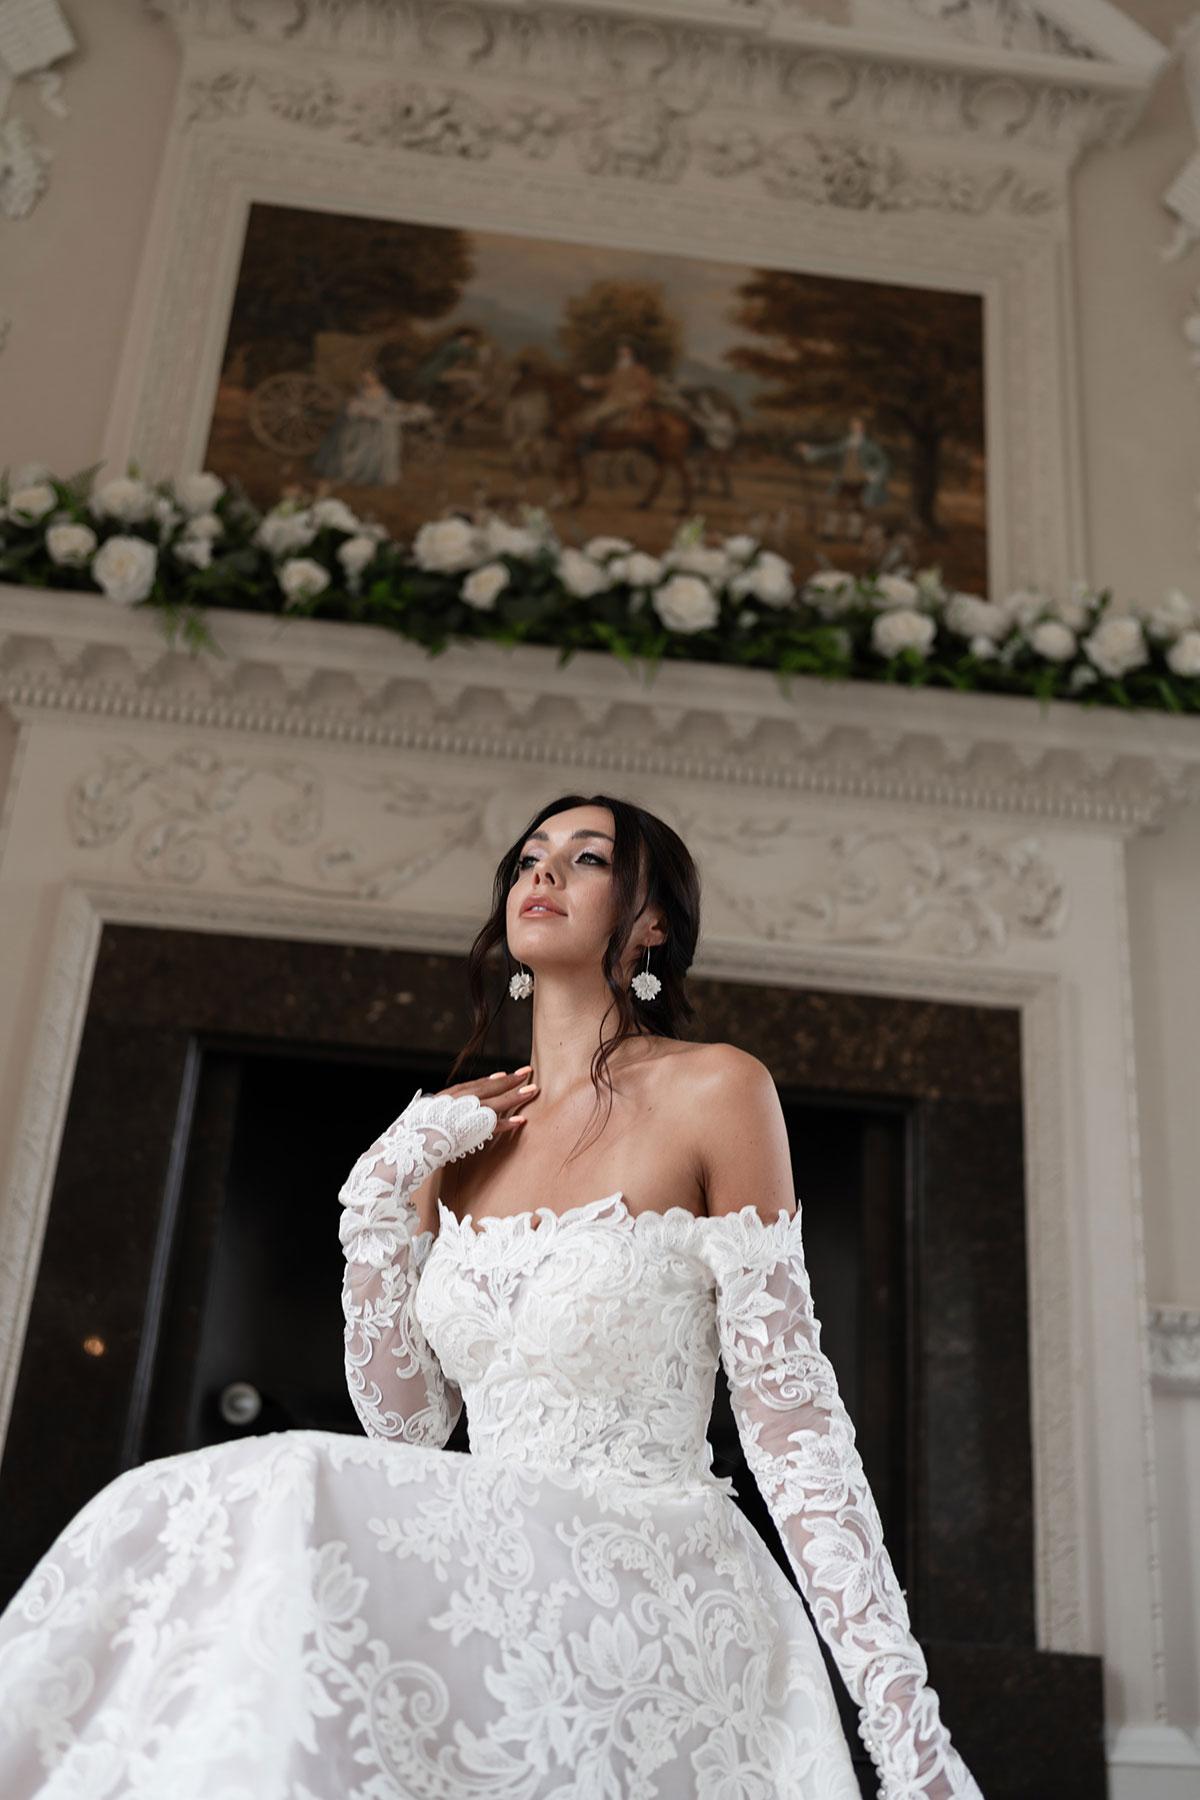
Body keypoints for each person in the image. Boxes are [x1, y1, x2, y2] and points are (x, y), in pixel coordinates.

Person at [0, 795, 982, 1800]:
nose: (542, 874)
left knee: (293, 1479)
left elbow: (791, 1418)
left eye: (587, 858)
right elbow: (412, 1428)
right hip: (500, 1567)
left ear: (652, 923)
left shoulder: (719, 1091)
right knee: (192, 1515)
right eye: (528, 859)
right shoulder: (457, 1142)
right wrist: (381, 1195)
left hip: (649, 1568)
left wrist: (904, 1727)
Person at [798, 415, 891, 542]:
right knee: (837, 506)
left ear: (863, 428)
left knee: (858, 508)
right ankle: (829, 532)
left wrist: (875, 474)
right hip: (845, 480)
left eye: (858, 426)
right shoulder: (846, 443)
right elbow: (829, 451)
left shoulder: (870, 446)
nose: (855, 428)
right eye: (853, 426)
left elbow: (883, 461)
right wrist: (809, 450)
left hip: (860, 481)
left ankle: (854, 535)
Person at [312, 365, 406, 487]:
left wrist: (380, 412)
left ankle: (372, 474)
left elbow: (389, 407)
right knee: (349, 443)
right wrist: (355, 407)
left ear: (376, 377)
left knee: (382, 447)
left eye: (370, 377)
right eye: (365, 377)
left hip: (379, 426)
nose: (367, 380)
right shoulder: (361, 391)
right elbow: (354, 407)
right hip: (361, 425)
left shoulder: (384, 391)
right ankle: (350, 473)